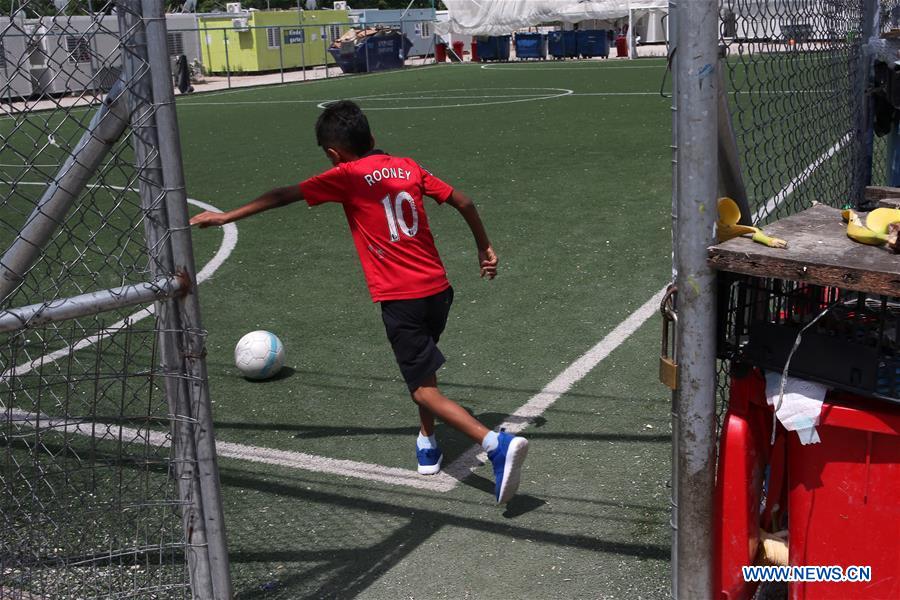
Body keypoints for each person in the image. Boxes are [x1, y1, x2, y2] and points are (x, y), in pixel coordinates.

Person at [190, 100, 529, 504]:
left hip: (400, 298)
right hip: (438, 290)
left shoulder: (346, 175)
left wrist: (227, 216)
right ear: (372, 137)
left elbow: (284, 195)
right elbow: (465, 201)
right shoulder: (408, 166)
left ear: (334, 154)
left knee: (421, 389)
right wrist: (483, 248)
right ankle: (427, 441)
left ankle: (494, 443)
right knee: (423, 366)